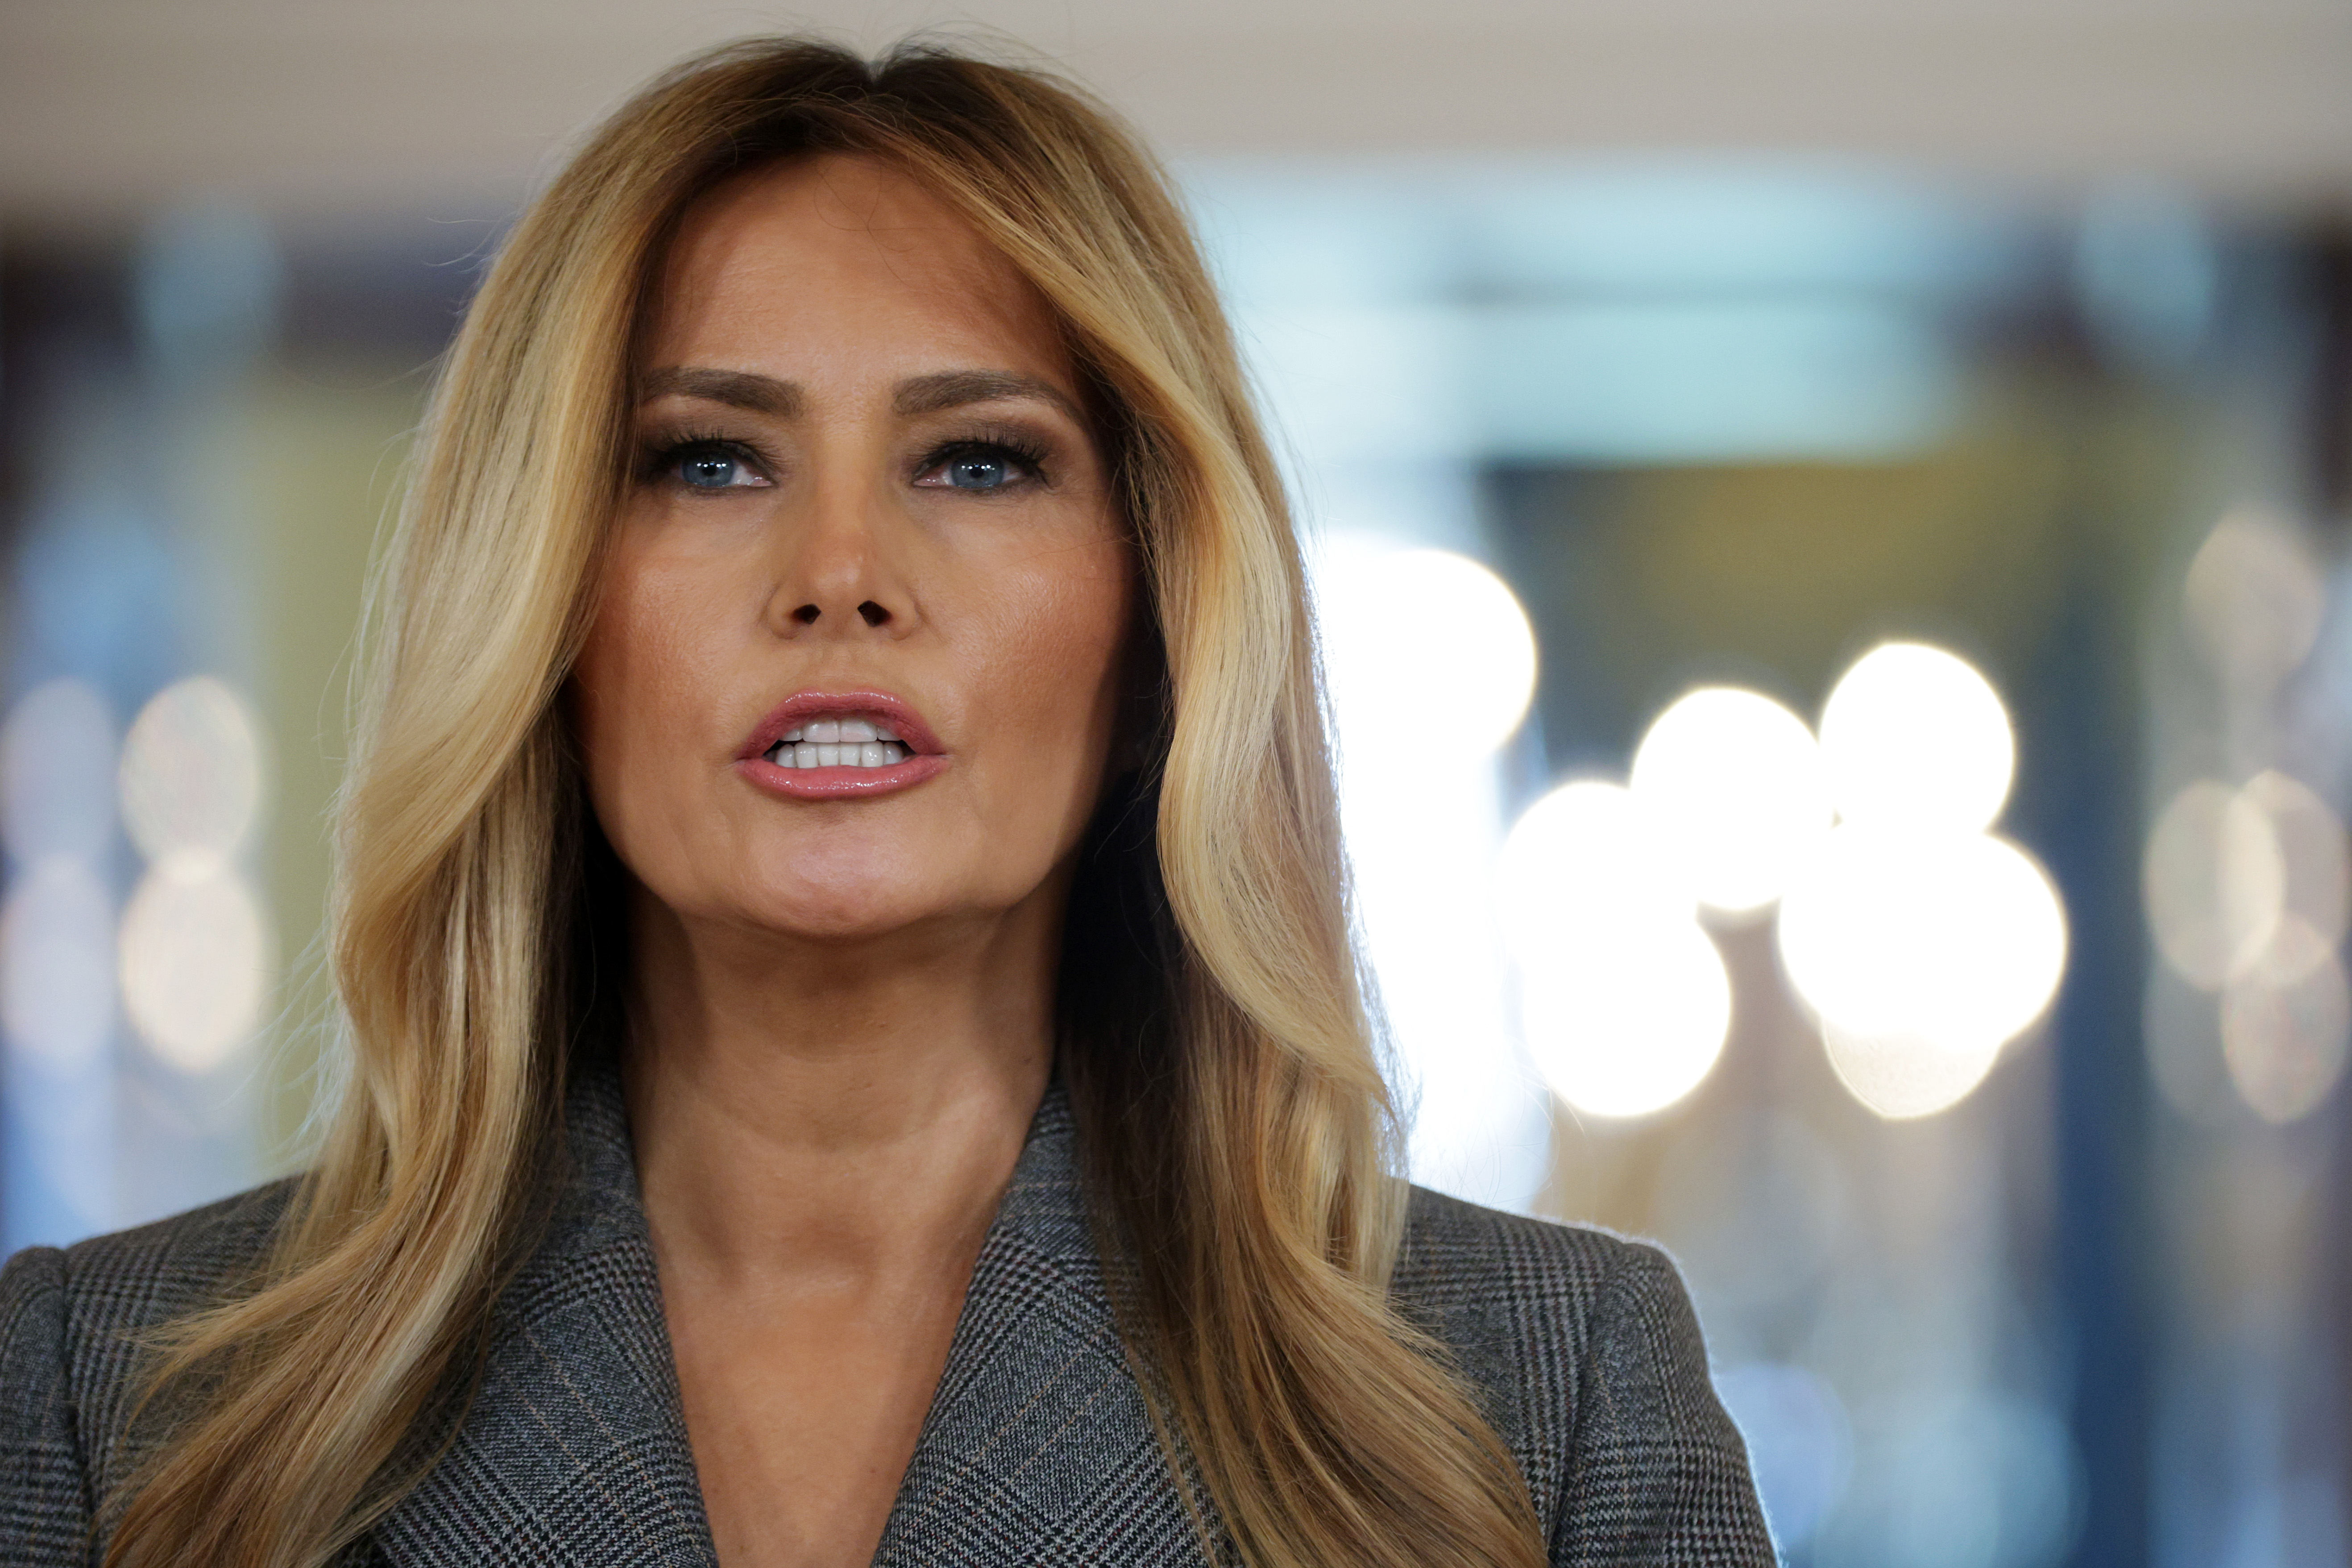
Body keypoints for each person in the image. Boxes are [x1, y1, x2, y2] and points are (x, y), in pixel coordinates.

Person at [0, 37, 1772, 1568]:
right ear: (542, 604)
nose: (839, 573)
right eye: (709, 460)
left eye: (977, 459)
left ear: (1158, 608)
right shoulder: (119, 1397)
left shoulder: (1544, 1394)